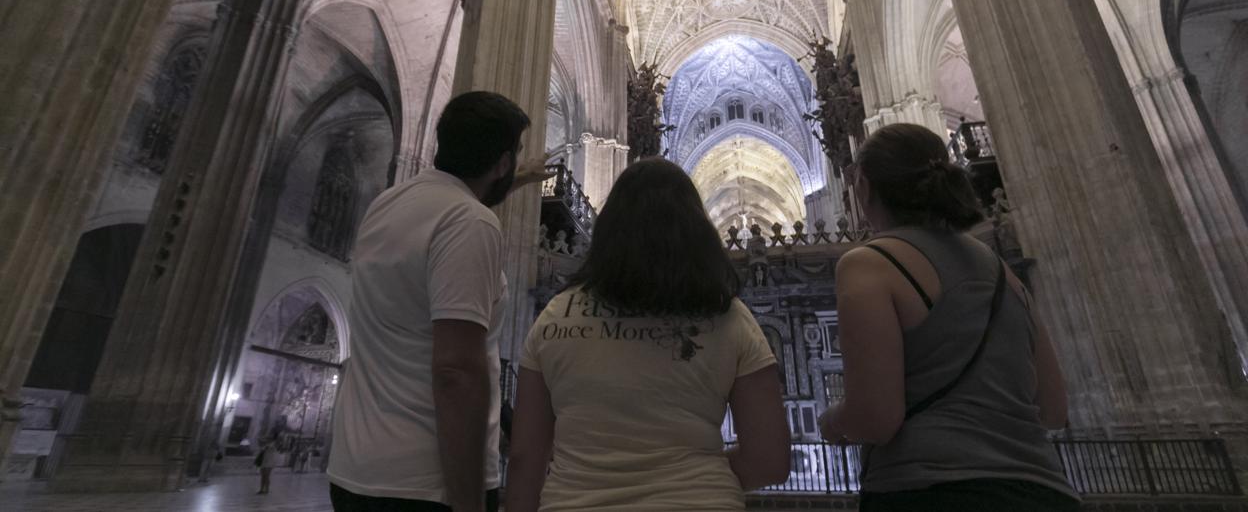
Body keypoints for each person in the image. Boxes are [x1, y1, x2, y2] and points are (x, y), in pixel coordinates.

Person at [817, 123, 1078, 511]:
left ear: (865, 189)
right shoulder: (1003, 273)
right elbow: (1054, 409)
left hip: (931, 489)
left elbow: (876, 418)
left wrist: (833, 423)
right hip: (1043, 490)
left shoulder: (870, 264)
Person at [506, 158, 791, 511]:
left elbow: (524, 457)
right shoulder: (729, 317)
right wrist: (690, 479)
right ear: (696, 231)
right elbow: (770, 459)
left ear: (609, 229)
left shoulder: (555, 316)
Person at [328, 91, 551, 512]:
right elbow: (455, 371)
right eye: (514, 157)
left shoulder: (389, 203)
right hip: (427, 482)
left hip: (354, 469)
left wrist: (517, 178)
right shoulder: (471, 223)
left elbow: (453, 209)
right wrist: (468, 502)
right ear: (501, 163)